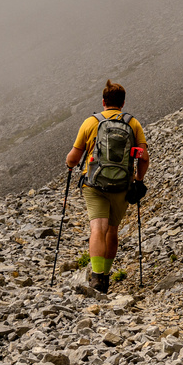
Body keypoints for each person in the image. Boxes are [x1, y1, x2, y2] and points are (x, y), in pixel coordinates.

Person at [65, 79, 148, 292]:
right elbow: (144, 157)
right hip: (122, 186)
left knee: (97, 228)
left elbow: (74, 158)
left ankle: (96, 277)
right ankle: (107, 276)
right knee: (112, 230)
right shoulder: (133, 124)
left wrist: (68, 164)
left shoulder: (90, 123)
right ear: (122, 103)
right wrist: (138, 180)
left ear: (103, 101)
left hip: (94, 184)